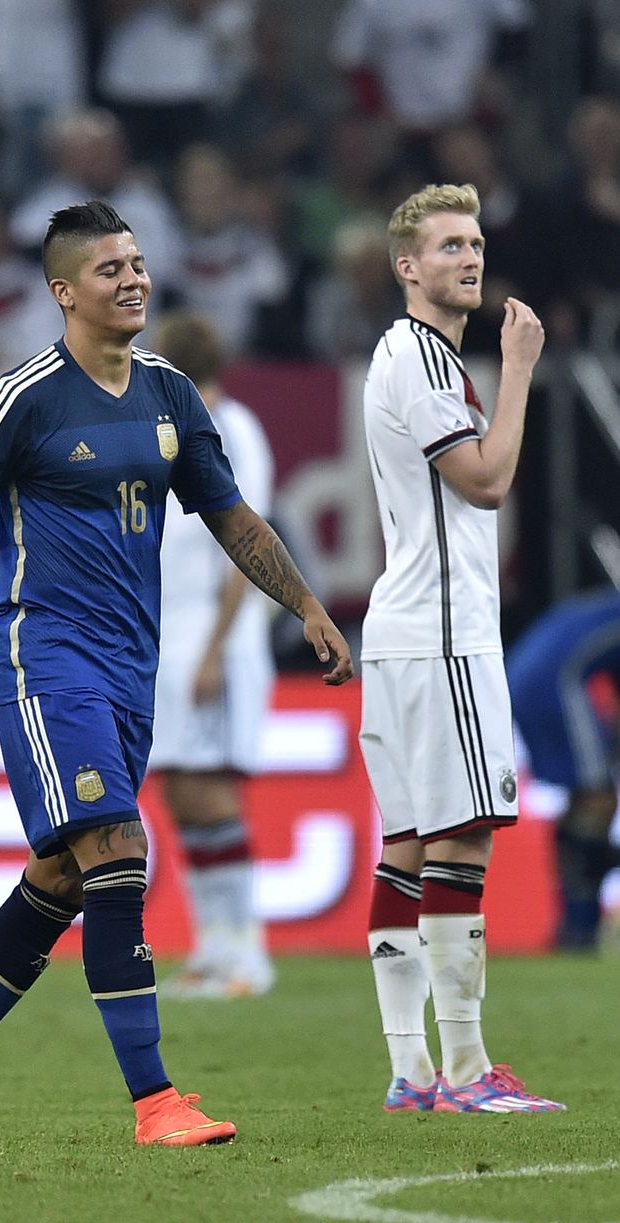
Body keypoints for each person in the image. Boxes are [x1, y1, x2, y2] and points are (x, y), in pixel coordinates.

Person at [0, 200, 353, 1147]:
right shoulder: (24, 399)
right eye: (110, 269)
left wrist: (304, 604)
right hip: (46, 656)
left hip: (134, 668)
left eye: (137, 263)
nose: (133, 278)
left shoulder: (171, 393)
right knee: (118, 852)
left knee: (58, 876)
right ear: (63, 292)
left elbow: (235, 518)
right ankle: (155, 1101)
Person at [359, 182, 565, 1114]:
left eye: (475, 242)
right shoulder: (427, 362)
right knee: (461, 840)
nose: (469, 258)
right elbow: (483, 481)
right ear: (407, 266)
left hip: (399, 632)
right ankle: (471, 1071)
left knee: (406, 848)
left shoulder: (406, 357)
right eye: (448, 245)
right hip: (444, 636)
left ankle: (410, 1071)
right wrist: (519, 367)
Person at [149, 310, 276, 998]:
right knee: (177, 786)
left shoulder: (236, 429)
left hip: (213, 637)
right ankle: (212, 947)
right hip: (169, 636)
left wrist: (217, 647)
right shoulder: (172, 431)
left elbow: (247, 541)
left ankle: (246, 950)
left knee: (210, 786)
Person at [506, 587, 620, 950]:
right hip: (556, 685)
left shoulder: (599, 607)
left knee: (588, 798)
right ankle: (580, 922)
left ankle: (575, 920)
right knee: (596, 798)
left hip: (520, 678)